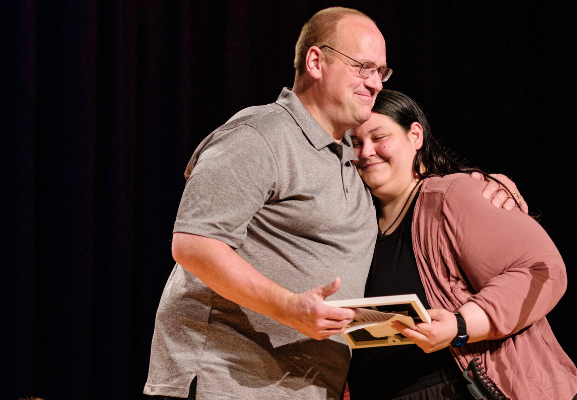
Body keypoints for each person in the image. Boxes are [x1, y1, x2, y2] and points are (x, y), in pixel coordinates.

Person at [144, 7, 524, 400]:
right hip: (225, 380)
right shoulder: (259, 136)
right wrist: (288, 307)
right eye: (363, 67)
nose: (375, 83)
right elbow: (194, 245)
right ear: (315, 61)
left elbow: (414, 187)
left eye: (381, 72)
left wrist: (486, 183)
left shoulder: (351, 156)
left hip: (302, 386)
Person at [346, 89, 577, 400]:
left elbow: (541, 270)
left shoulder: (452, 195)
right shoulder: (357, 224)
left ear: (415, 135)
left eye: (379, 137)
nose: (366, 152)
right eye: (354, 143)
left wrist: (460, 325)